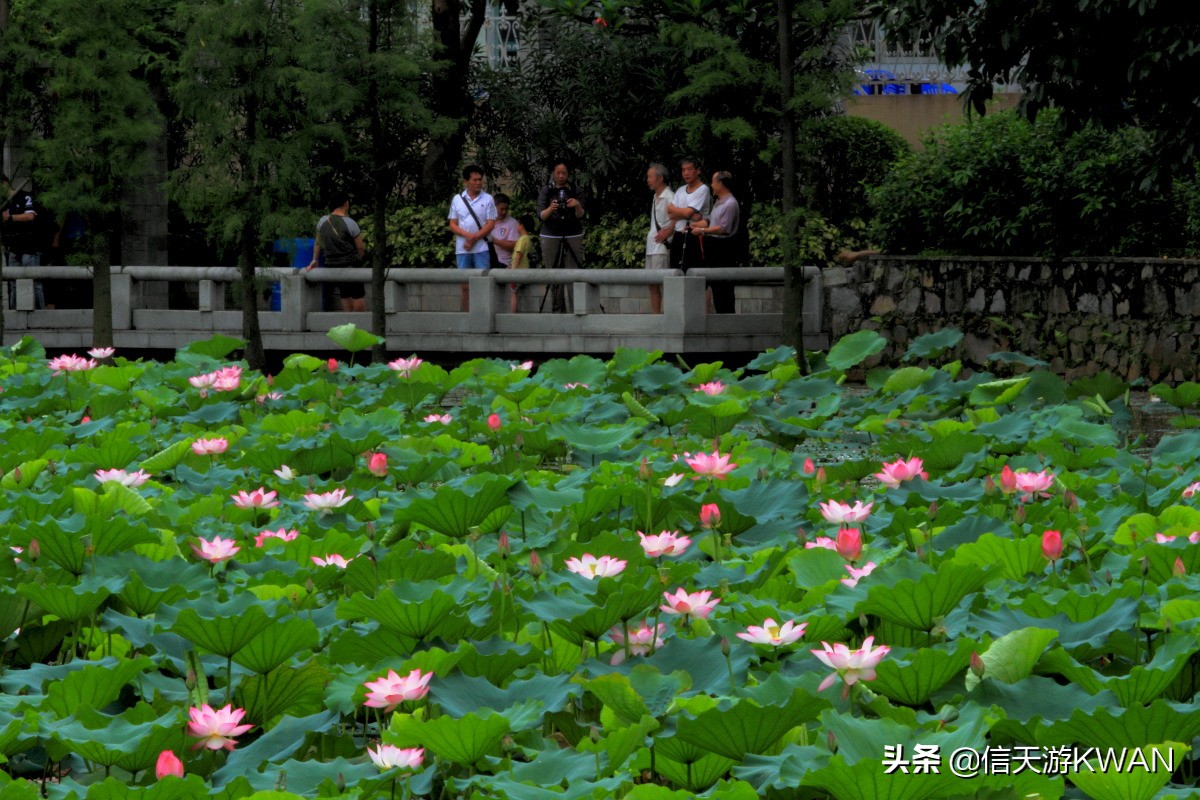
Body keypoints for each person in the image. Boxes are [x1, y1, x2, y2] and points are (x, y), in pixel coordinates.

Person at [691, 170, 742, 313]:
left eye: (713, 182)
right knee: (715, 287)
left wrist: (702, 231)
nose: (712, 185)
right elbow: (710, 221)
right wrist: (695, 225)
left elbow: (723, 229)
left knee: (724, 288)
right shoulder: (719, 202)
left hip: (724, 249)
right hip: (714, 247)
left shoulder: (730, 204)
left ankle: (727, 320)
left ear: (721, 183)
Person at [448, 164, 497, 311]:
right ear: (466, 181)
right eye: (474, 180)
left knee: (483, 283)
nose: (478, 183)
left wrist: (474, 239)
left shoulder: (488, 199)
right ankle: (467, 314)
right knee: (464, 285)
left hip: (482, 248)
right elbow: (453, 224)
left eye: (480, 180)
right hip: (463, 249)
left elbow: (491, 223)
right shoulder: (457, 199)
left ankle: (484, 314)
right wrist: (469, 237)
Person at [306, 193, 366, 312]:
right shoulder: (350, 223)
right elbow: (360, 248)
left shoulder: (323, 220)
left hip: (331, 264)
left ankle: (348, 323)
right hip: (350, 263)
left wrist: (314, 259)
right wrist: (360, 258)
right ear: (346, 204)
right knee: (357, 294)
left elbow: (318, 242)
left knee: (344, 293)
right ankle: (360, 321)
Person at [2, 173, 46, 309]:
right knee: (13, 283)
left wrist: (10, 218)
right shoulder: (3, 203)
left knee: (34, 282)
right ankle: (16, 312)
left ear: (4, 183)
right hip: (13, 246)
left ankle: (40, 312)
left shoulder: (23, 196)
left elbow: (30, 216)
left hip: (29, 245)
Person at [666, 157, 710, 272]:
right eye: (683, 170)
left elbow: (686, 212)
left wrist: (684, 213)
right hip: (678, 234)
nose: (686, 173)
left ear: (698, 171)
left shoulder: (703, 189)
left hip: (694, 234)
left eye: (689, 169)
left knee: (693, 273)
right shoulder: (680, 190)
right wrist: (688, 215)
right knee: (675, 271)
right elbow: (670, 213)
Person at [644, 163, 674, 314]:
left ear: (660, 178)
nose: (648, 180)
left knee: (663, 283)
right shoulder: (655, 197)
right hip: (652, 245)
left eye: (650, 177)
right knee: (652, 284)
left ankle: (667, 316)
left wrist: (668, 231)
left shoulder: (669, 196)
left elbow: (679, 218)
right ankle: (656, 317)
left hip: (661, 248)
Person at [508, 214, 535, 313]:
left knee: (513, 293)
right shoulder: (528, 239)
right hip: (525, 270)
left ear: (521, 225)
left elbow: (519, 255)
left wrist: (513, 270)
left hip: (518, 271)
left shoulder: (522, 239)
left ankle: (513, 314)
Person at [491, 193, 520, 268]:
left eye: (506, 209)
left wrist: (493, 240)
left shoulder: (512, 222)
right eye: (501, 209)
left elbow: (513, 245)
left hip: (504, 262)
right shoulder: (486, 221)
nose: (504, 212)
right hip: (486, 260)